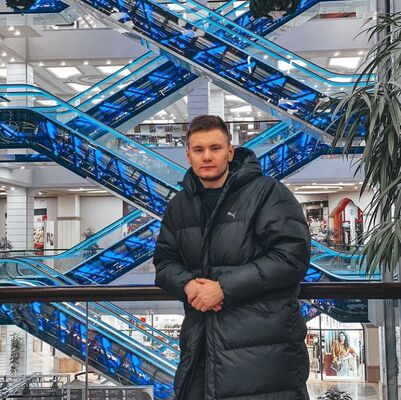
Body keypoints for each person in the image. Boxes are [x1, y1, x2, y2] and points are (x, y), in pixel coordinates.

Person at [154, 115, 311, 400]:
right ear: (188, 155)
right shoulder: (179, 205)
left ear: (230, 151)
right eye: (199, 149)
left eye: (215, 148)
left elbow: (292, 258)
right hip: (201, 347)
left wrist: (223, 288)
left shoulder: (267, 193)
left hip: (263, 353)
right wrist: (187, 284)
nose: (207, 156)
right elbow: (164, 262)